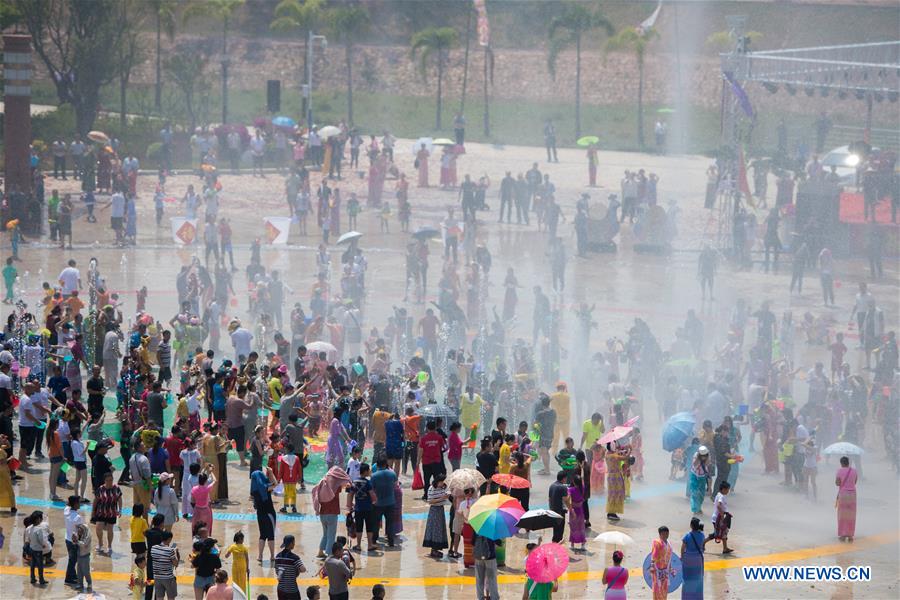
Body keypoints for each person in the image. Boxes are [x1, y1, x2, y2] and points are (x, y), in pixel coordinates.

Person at [312, 466, 352, 559]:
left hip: (323, 513)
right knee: (331, 535)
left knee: (325, 534)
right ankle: (329, 555)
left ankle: (320, 552)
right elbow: (344, 485)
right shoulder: (335, 487)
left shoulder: (323, 483)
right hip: (332, 514)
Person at [91, 471, 122, 555]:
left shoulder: (116, 488)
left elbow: (119, 499)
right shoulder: (100, 489)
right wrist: (93, 511)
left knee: (110, 530)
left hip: (112, 512)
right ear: (104, 480)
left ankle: (109, 546)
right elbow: (96, 500)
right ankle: (100, 543)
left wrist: (120, 509)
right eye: (108, 480)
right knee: (98, 528)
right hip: (101, 512)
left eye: (111, 480)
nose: (110, 482)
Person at [251, 468, 278, 562]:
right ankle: (272, 556)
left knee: (262, 535)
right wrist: (271, 472)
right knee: (271, 535)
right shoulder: (265, 487)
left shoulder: (254, 491)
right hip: (269, 514)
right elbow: (275, 484)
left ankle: (260, 556)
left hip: (260, 514)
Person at [371, 458, 398, 547]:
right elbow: (395, 486)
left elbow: (371, 489)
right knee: (390, 522)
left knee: (376, 522)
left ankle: (374, 540)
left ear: (377, 465)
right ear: (386, 464)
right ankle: (391, 541)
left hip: (378, 503)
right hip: (390, 502)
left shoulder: (374, 476)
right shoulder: (392, 473)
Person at [423, 471, 450, 558]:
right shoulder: (431, 488)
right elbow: (430, 501)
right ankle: (434, 550)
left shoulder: (443, 488)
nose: (443, 484)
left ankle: (437, 549)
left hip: (440, 509)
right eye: (441, 482)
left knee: (439, 530)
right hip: (434, 510)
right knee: (434, 529)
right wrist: (442, 498)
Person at [275, 534, 307, 600]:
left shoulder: (277, 557)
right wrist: (297, 571)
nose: (294, 544)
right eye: (293, 542)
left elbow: (277, 572)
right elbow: (303, 569)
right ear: (291, 544)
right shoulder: (294, 558)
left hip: (280, 589)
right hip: (292, 590)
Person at [705, 480, 733, 554]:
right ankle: (703, 543)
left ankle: (725, 548)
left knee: (724, 532)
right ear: (723, 489)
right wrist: (722, 516)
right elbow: (718, 506)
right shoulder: (721, 496)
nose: (728, 491)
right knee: (716, 534)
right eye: (727, 489)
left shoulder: (718, 495)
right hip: (718, 518)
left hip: (717, 517)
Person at [150, 530, 179, 600]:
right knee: (171, 597)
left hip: (157, 577)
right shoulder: (170, 550)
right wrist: (176, 553)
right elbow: (176, 564)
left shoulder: (153, 548)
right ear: (169, 539)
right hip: (168, 578)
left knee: (159, 598)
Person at [681, 517, 705, 600]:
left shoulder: (687, 536)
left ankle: (687, 598)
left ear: (691, 525)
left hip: (688, 559)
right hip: (698, 559)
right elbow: (702, 547)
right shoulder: (702, 535)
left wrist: (682, 557)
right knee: (698, 579)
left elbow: (683, 548)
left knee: (687, 579)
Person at [835, 456, 857, 542]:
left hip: (843, 494)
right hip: (852, 495)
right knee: (851, 515)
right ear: (848, 462)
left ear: (841, 463)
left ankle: (843, 535)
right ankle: (850, 535)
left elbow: (837, 483)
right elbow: (855, 482)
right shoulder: (854, 471)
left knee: (842, 515)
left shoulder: (839, 471)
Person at [473, 532, 500, 600]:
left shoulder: (477, 528)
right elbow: (499, 542)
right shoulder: (492, 529)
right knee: (492, 579)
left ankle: (480, 597)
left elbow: (472, 542)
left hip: (479, 557)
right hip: (490, 558)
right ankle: (494, 598)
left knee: (479, 579)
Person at [650, 526, 674, 600]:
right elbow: (653, 556)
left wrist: (670, 568)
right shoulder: (657, 543)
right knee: (657, 589)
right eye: (664, 533)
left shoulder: (669, 544)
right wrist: (652, 566)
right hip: (657, 570)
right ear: (660, 534)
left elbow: (669, 557)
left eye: (667, 533)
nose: (666, 535)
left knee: (664, 590)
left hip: (665, 571)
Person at [224, 531, 250, 598]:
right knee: (242, 582)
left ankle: (235, 595)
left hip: (235, 567)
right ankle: (243, 595)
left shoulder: (232, 547)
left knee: (235, 581)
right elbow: (247, 559)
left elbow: (226, 556)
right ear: (240, 539)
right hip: (243, 567)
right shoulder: (244, 548)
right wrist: (247, 568)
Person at [606, 443, 627, 521]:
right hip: (616, 477)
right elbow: (625, 458)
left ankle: (611, 512)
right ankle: (611, 512)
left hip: (611, 476)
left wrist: (621, 451)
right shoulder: (613, 456)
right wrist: (629, 450)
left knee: (612, 494)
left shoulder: (608, 454)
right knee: (616, 494)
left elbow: (619, 456)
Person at [688, 446, 711, 515]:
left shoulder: (708, 456)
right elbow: (694, 465)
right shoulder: (696, 455)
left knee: (701, 494)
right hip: (694, 475)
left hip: (702, 476)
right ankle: (695, 509)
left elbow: (707, 464)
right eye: (702, 456)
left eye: (705, 455)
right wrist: (698, 458)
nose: (704, 457)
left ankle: (699, 507)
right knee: (694, 493)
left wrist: (709, 488)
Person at [548, 470, 569, 544]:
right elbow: (566, 500)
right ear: (564, 478)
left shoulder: (552, 486)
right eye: (566, 478)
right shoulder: (563, 487)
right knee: (560, 531)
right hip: (560, 511)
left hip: (553, 510)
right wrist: (570, 509)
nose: (566, 480)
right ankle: (556, 548)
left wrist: (550, 509)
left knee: (555, 529)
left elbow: (549, 499)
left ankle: (553, 544)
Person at [568, 474, 587, 551]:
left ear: (573, 481)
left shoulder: (570, 490)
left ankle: (572, 544)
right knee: (581, 527)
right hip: (580, 510)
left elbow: (569, 501)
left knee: (573, 527)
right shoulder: (583, 488)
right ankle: (582, 545)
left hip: (573, 511)